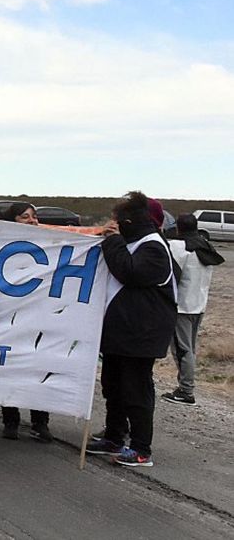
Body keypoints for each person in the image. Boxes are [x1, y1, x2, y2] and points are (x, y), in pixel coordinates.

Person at [86, 192, 177, 468]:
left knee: (136, 390)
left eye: (119, 220)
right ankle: (114, 435)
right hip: (121, 332)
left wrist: (112, 241)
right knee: (112, 386)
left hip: (141, 334)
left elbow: (130, 272)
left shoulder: (153, 247)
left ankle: (141, 448)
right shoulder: (135, 242)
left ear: (130, 221)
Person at [0, 201, 53, 442]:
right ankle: (11, 419)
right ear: (13, 220)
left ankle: (40, 421)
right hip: (12, 316)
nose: (32, 220)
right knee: (11, 367)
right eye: (25, 216)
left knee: (38, 367)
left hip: (39, 316)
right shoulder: (3, 248)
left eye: (34, 216)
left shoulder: (50, 244)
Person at [164, 214, 225, 406]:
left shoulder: (181, 247)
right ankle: (185, 387)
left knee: (183, 350)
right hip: (199, 304)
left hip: (182, 305)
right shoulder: (206, 246)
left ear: (179, 228)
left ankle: (186, 390)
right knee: (189, 348)